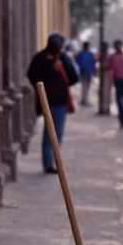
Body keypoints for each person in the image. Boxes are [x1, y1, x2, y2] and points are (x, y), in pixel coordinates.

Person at [27, 33, 79, 172]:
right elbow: (32, 77)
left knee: (54, 133)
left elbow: (73, 77)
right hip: (49, 101)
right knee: (53, 133)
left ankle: (50, 162)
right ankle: (49, 162)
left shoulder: (60, 58)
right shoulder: (42, 59)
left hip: (57, 101)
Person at [75, 40, 96, 106]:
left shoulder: (80, 54)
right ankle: (85, 99)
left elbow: (77, 61)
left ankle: (84, 99)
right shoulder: (91, 54)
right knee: (87, 86)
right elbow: (94, 63)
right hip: (89, 72)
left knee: (83, 86)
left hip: (83, 71)